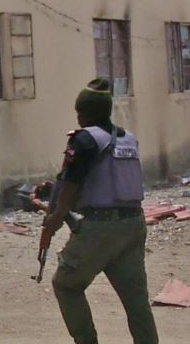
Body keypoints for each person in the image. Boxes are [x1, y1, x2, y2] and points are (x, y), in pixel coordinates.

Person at [44, 78, 158, 344]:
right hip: (133, 224)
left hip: (100, 228)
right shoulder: (128, 139)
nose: (78, 116)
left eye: (80, 111)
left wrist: (55, 220)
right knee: (136, 300)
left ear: (87, 113)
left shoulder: (84, 140)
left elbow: (70, 186)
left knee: (66, 285)